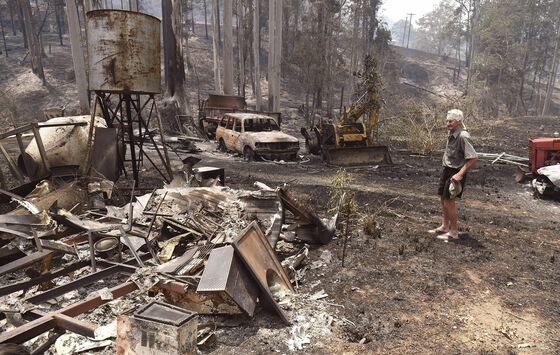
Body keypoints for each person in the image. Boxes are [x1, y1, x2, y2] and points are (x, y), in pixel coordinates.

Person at [429, 109, 478, 241]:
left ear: (459, 122)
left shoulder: (463, 136)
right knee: (443, 198)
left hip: (456, 172)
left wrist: (460, 174)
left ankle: (454, 232)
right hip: (447, 169)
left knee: (449, 201)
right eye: (447, 121)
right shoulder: (451, 133)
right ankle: (445, 226)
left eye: (451, 121)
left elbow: (473, 158)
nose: (448, 124)